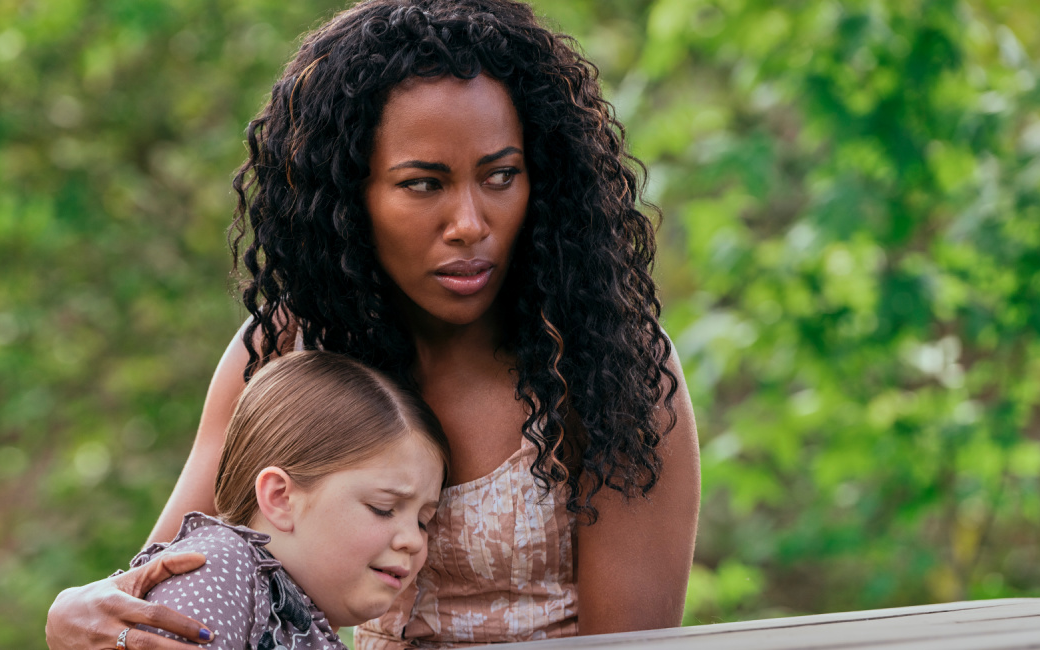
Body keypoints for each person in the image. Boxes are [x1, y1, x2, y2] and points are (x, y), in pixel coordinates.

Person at [46, 0, 701, 648]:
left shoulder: (607, 365)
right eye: (423, 184)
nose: (470, 223)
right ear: (347, 197)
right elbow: (165, 584)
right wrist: (78, 612)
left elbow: (628, 646)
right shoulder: (287, 349)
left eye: (501, 176)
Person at [115, 351, 449, 650]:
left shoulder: (301, 613)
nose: (413, 540)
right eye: (383, 508)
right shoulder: (216, 572)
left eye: (422, 521)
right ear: (280, 498)